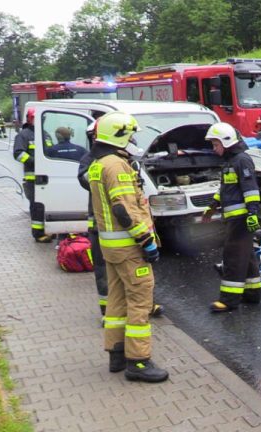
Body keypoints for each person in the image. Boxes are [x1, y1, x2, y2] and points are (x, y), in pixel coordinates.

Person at [87, 111, 168, 383]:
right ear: (118, 135)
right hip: (129, 248)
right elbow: (123, 208)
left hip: (111, 247)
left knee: (117, 300)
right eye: (129, 134)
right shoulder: (116, 165)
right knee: (140, 302)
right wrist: (146, 241)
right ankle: (139, 362)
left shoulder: (98, 164)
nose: (132, 138)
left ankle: (117, 354)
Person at [78, 121, 164, 319]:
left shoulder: (122, 160)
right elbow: (120, 205)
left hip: (122, 229)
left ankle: (141, 305)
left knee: (135, 280)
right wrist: (145, 238)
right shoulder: (98, 161)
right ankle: (107, 308)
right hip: (106, 227)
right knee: (107, 273)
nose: (131, 141)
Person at [202, 122, 261, 311]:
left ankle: (228, 300)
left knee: (233, 257)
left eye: (216, 144)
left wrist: (252, 213)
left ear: (226, 142)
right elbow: (225, 189)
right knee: (247, 256)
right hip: (234, 219)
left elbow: (250, 189)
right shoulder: (230, 162)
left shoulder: (241, 160)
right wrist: (213, 205)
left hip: (241, 219)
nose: (214, 149)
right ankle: (252, 294)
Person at [13, 107, 53, 243]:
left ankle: (47, 230)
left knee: (46, 206)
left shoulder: (45, 135)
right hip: (32, 179)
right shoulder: (23, 135)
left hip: (46, 178)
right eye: (36, 118)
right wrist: (36, 162)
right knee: (37, 207)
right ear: (30, 119)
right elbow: (18, 154)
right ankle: (38, 233)